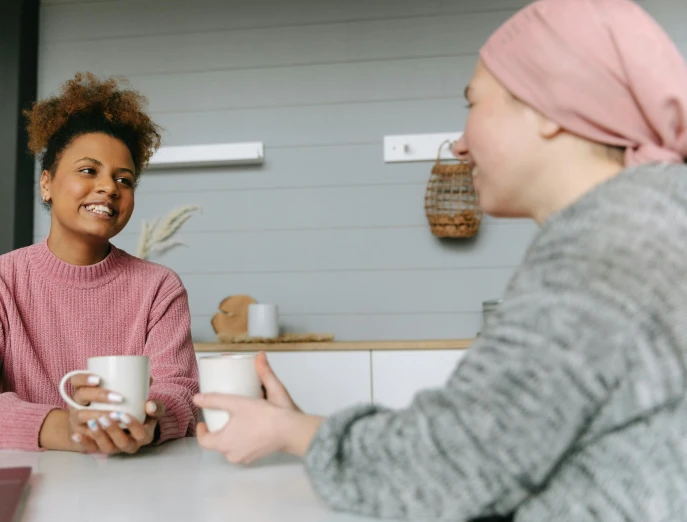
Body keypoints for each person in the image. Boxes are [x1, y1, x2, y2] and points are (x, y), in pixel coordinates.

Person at [193, 0, 687, 519]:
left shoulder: (606, 246)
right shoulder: (648, 219)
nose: (459, 144)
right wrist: (297, 430)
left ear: (548, 107)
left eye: (473, 104)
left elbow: (452, 464)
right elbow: (506, 444)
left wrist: (289, 431)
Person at [0, 73, 200, 454]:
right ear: (46, 184)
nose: (109, 187)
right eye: (89, 170)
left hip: (135, 483)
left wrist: (149, 421)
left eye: (125, 179)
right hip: (21, 482)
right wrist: (70, 428)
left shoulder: (159, 287)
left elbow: (181, 392)